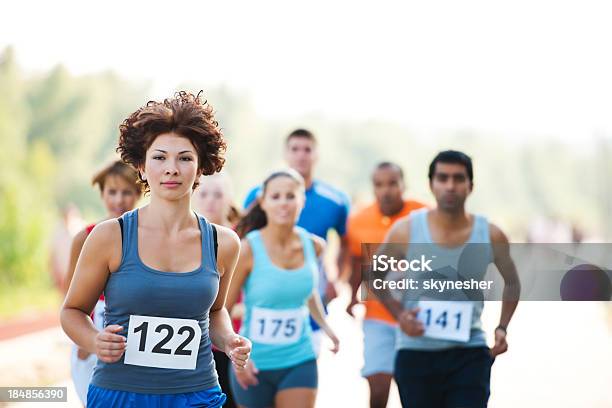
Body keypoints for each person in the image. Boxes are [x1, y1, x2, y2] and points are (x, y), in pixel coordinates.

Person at [61, 91, 251, 408]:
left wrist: (229, 341)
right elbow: (72, 311)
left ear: (201, 167)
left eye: (185, 158)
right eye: (160, 157)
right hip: (119, 394)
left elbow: (215, 311)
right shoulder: (110, 236)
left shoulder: (225, 243)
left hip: (197, 394)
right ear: (141, 166)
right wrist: (94, 340)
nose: (172, 168)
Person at [375, 150, 521, 408]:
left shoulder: (490, 234)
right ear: (431, 184)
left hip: (470, 353)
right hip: (415, 352)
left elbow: (512, 282)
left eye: (458, 178)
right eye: (442, 178)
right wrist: (400, 316)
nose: (450, 186)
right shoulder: (406, 230)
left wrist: (502, 327)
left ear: (470, 186)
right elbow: (373, 275)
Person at [229, 169, 340, 408]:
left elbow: (305, 291)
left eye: (291, 196)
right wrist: (236, 354)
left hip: (300, 358)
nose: (284, 203)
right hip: (255, 361)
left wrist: (327, 328)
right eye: (276, 196)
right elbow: (223, 309)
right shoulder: (248, 249)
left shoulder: (314, 246)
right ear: (263, 202)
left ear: (302, 201)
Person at [243, 129, 350, 354]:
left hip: (309, 294)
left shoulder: (335, 200)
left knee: (304, 365)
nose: (301, 155)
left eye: (307, 149)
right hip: (266, 299)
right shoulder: (257, 194)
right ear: (286, 153)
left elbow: (346, 243)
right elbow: (242, 242)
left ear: (316, 155)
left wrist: (337, 279)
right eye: (295, 149)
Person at [345, 162, 426, 408]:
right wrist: (352, 297)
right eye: (379, 185)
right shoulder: (359, 220)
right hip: (377, 315)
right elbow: (357, 260)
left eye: (393, 183)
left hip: (418, 315)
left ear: (404, 185)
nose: (386, 190)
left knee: (414, 391)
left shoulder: (423, 215)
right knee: (378, 385)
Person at [62, 160, 142, 406]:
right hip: (92, 327)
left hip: (134, 332)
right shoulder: (84, 237)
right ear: (102, 194)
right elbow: (70, 297)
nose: (119, 200)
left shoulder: (146, 236)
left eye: (127, 192)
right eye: (112, 192)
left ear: (139, 194)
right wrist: (83, 339)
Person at [193, 172, 243, 408]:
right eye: (204, 194)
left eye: (218, 194)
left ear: (229, 199)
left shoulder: (242, 240)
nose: (211, 200)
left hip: (234, 341)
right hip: (195, 343)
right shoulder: (187, 238)